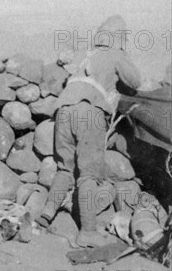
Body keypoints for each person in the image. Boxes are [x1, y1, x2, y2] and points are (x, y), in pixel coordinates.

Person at [38, 15, 142, 247]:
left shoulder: (88, 55)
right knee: (89, 173)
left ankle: (46, 213)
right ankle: (87, 232)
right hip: (90, 112)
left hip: (64, 111)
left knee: (65, 168)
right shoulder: (115, 53)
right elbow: (135, 81)